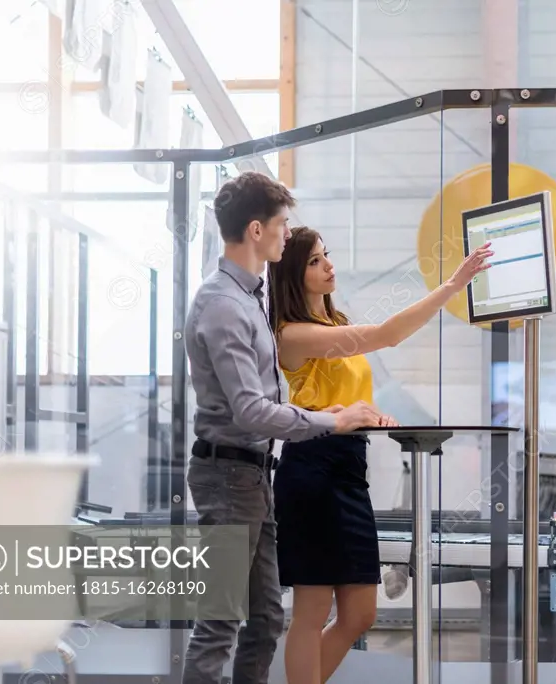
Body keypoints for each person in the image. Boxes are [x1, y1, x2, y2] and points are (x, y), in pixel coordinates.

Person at [265, 226, 493, 684]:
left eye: (325, 255)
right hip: (312, 469)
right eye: (314, 261)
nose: (329, 265)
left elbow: (340, 395)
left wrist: (368, 414)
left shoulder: (334, 322)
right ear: (292, 274)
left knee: (360, 614)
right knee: (312, 611)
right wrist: (452, 286)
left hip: (348, 468)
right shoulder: (292, 334)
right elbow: (388, 335)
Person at [182, 171, 384, 684]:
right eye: (282, 224)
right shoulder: (224, 305)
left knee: (268, 618)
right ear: (256, 230)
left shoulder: (251, 296)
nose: (287, 234)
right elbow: (250, 410)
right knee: (220, 623)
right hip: (228, 476)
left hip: (253, 477)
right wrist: (331, 419)